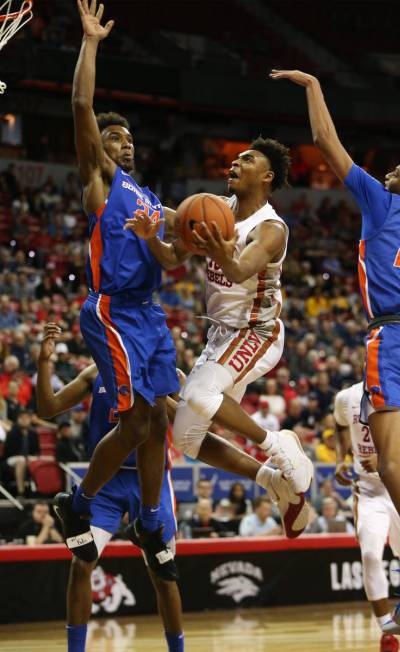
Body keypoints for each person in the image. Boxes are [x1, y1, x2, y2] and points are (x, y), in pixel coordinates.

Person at [271, 68, 400, 625]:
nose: (386, 173)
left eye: (397, 172)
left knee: (391, 461)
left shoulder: (384, 203)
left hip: (392, 335)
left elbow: (325, 144)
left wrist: (314, 88)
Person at [125, 137, 314, 539]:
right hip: (221, 336)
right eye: (235, 157)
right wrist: (149, 235)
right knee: (187, 439)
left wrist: (217, 245)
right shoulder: (216, 207)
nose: (235, 162)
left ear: (266, 176)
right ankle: (274, 482)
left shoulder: (270, 228)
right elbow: (172, 257)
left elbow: (242, 270)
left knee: (195, 395)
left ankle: (277, 445)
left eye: (247, 159)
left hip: (257, 333)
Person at [54, 0, 180, 577]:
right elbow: (80, 103)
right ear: (99, 146)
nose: (123, 141)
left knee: (156, 422)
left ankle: (151, 518)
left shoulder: (149, 197)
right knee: (132, 423)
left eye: (128, 136)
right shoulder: (100, 182)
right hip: (113, 311)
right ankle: (76, 505)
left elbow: (188, 234)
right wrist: (91, 43)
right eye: (113, 134)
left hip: (150, 315)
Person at [36, 323, 184, 652]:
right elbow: (46, 409)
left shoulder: (167, 373)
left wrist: (155, 391)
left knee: (163, 572)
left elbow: (190, 424)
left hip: (152, 481)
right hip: (106, 482)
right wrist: (44, 363)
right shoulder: (95, 373)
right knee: (81, 563)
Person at [334, 381, 400, 651]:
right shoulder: (346, 397)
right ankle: (386, 629)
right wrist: (342, 458)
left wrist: (387, 458)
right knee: (370, 555)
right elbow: (339, 424)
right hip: (368, 491)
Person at [3, 408, 39, 496]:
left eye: (26, 418)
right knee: (21, 460)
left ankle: (39, 490)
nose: (24, 420)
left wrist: (32, 457)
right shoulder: (12, 432)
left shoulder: (33, 433)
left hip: (28, 457)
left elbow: (37, 450)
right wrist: (26, 457)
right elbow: (9, 452)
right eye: (22, 418)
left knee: (41, 459)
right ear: (18, 419)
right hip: (11, 459)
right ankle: (20, 491)